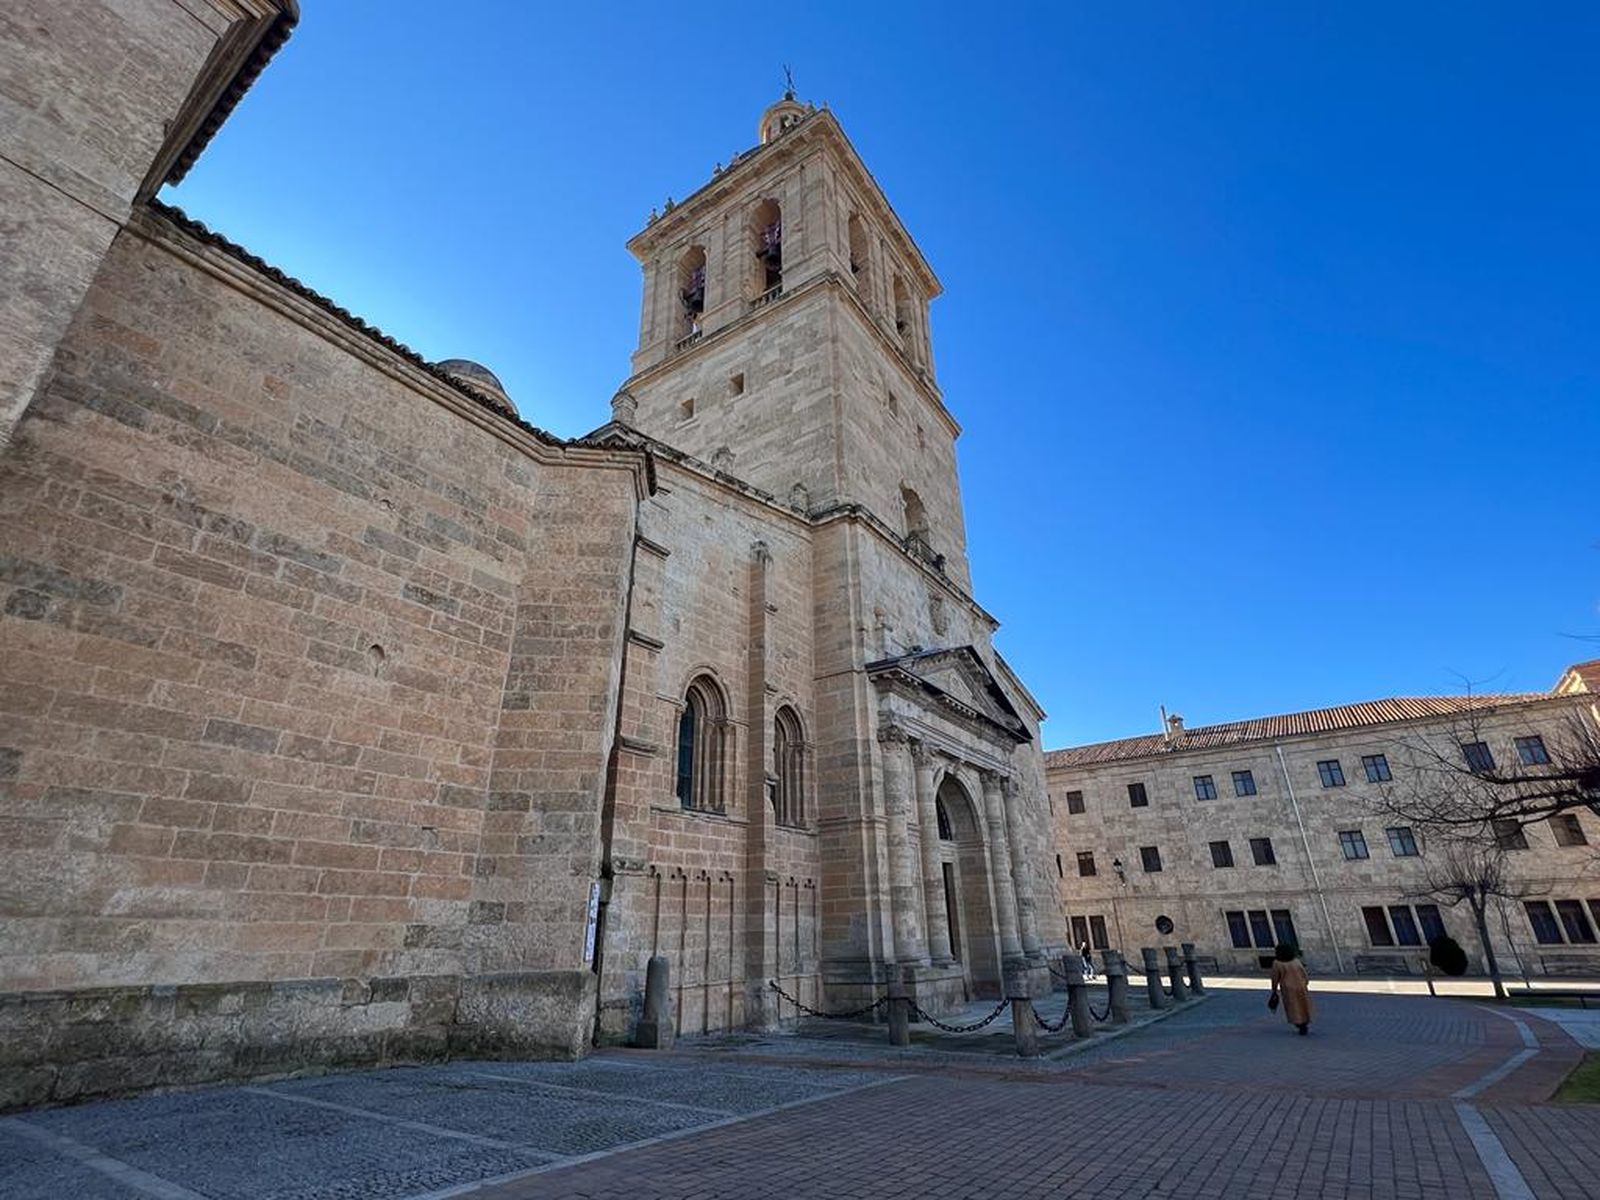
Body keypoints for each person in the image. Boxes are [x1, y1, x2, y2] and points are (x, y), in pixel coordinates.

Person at [1268, 942, 1312, 1035]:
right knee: (1303, 1004)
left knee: (1293, 1006)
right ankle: (1305, 1021)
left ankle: (1299, 1023)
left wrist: (1274, 989)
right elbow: (1303, 973)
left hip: (1288, 988)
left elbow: (1275, 977)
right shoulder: (1296, 961)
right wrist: (1306, 982)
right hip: (1300, 985)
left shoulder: (1277, 963)